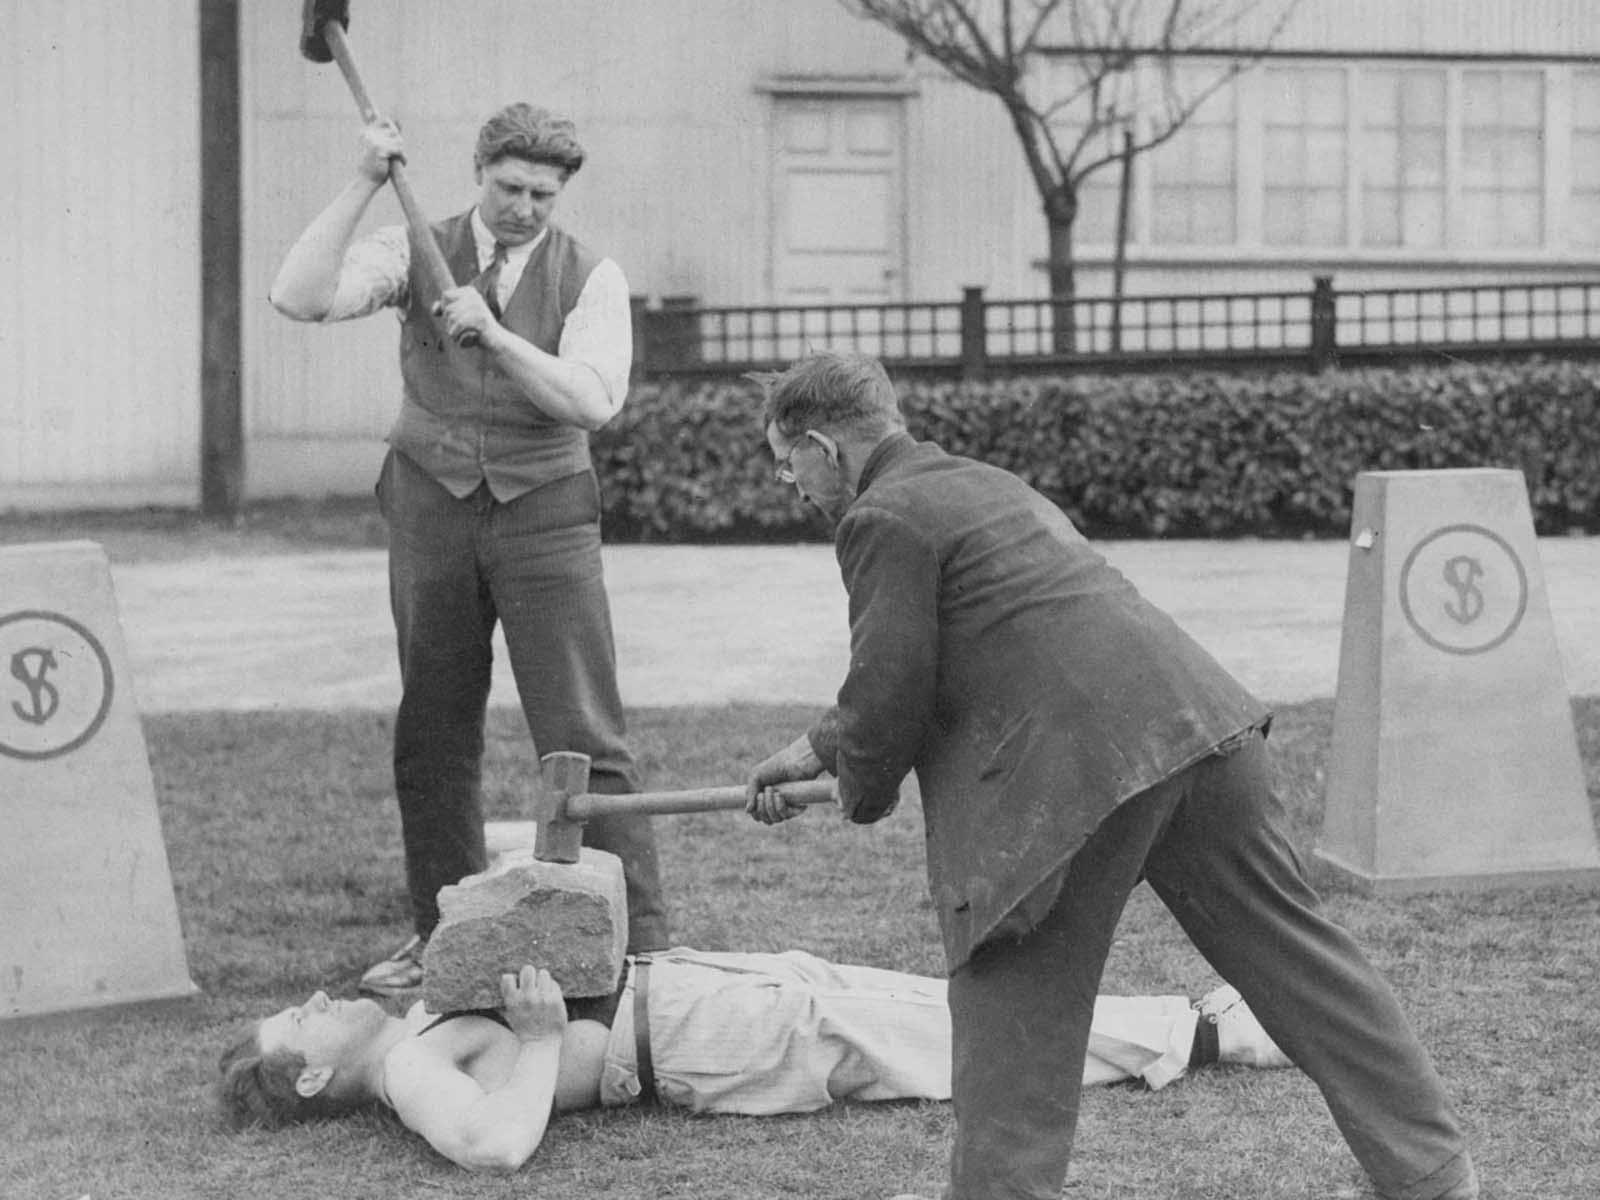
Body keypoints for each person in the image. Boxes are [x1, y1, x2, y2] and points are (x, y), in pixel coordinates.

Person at [742, 351, 1479, 1200]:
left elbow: (891, 688)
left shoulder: (881, 517)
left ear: (824, 447)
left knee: (1011, 1007)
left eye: (784, 459)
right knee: (1301, 964)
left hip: (1086, 777)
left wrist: (859, 783)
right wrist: (818, 753)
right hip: (1202, 731)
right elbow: (975, 645)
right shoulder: (981, 483)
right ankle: (1431, 1172)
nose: (786, 482)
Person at [268, 103, 669, 993]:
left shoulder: (591, 275)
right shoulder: (416, 244)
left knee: (581, 730)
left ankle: (642, 947)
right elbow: (296, 296)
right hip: (429, 501)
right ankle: (441, 933)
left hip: (546, 509)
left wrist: (494, 332)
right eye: (509, 187)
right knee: (436, 725)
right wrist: (364, 180)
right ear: (479, 171)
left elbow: (594, 400)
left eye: (543, 194)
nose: (525, 207)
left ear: (562, 193)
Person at [216, 949, 1289, 1173]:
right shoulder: (408, 1078)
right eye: (299, 1023)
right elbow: (493, 1147)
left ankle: (1186, 1020)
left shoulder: (401, 1017)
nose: (312, 1002)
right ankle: (1205, 1036)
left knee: (927, 1008)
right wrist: (541, 1040)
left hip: (685, 989)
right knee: (929, 1041)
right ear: (313, 1079)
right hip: (689, 1039)